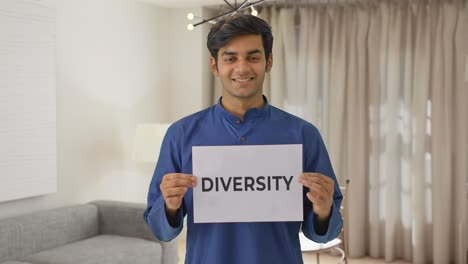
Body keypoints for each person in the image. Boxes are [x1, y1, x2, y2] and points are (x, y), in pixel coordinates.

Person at [144, 14, 343, 264]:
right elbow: (160, 229)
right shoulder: (181, 135)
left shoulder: (303, 134)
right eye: (230, 58)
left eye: (253, 57)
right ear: (215, 66)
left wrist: (324, 210)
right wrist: (170, 207)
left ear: (268, 62)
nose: (242, 68)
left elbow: (323, 233)